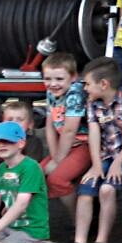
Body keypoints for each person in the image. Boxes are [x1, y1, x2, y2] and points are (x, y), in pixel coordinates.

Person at [60, 57, 122, 243]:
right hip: (105, 157)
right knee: (86, 188)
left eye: (87, 84)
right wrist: (96, 165)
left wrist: (118, 163)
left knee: (107, 190)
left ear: (103, 84)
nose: (84, 88)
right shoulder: (93, 104)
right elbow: (94, 135)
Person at [39, 52, 92, 224]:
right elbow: (50, 124)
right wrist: (55, 156)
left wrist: (58, 160)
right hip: (65, 145)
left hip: (84, 145)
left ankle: (79, 223)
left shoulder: (75, 94)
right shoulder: (51, 93)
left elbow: (69, 130)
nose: (53, 84)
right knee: (36, 173)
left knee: (57, 179)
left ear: (73, 77)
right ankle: (32, 222)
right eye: (48, 79)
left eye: (59, 79)